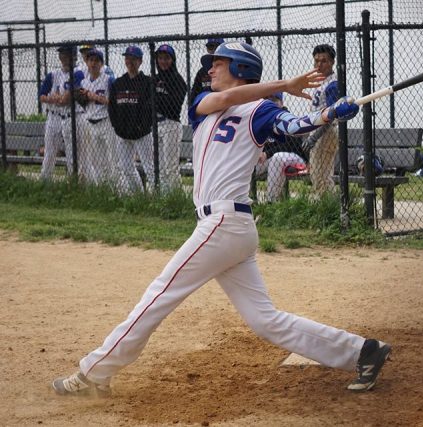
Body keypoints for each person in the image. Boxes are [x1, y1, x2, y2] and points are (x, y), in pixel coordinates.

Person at [51, 41, 391, 397]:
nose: (210, 69)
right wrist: (284, 85)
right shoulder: (202, 103)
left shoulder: (262, 111)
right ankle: (363, 351)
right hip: (228, 229)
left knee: (158, 295)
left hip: (224, 224)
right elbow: (230, 100)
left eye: (219, 64)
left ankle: (94, 372)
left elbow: (295, 124)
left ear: (241, 70)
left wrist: (328, 115)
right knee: (266, 321)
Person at [108, 45, 154, 194]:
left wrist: (142, 126)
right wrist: (117, 127)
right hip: (122, 133)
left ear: (140, 61)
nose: (130, 61)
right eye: (127, 58)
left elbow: (150, 108)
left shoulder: (147, 82)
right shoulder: (118, 83)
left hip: (142, 133)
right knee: (126, 167)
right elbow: (112, 108)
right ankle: (138, 195)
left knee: (149, 168)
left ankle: (156, 197)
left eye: (133, 59)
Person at [38, 45, 85, 180]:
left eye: (67, 54)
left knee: (72, 154)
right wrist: (52, 98)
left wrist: (54, 98)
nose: (63, 57)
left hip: (72, 117)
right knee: (49, 153)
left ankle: (73, 181)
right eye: (62, 54)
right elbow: (41, 96)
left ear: (74, 56)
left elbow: (66, 100)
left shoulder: (78, 73)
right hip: (53, 117)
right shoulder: (53, 74)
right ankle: (45, 181)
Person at [254, 92, 309, 202]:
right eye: (267, 99)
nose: (270, 102)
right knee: (249, 161)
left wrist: (267, 153)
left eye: (274, 99)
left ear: (281, 103)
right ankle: (245, 198)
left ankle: (271, 202)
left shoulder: (287, 118)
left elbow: (288, 145)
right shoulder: (263, 119)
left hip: (295, 157)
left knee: (277, 158)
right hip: (270, 159)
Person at [301, 44, 339, 197]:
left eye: (323, 61)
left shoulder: (333, 84)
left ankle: (331, 208)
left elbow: (331, 115)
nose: (319, 64)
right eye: (316, 61)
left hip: (326, 131)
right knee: (319, 175)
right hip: (318, 130)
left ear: (332, 62)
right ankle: (331, 207)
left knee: (321, 176)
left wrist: (315, 137)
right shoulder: (320, 82)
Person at [77, 48, 116, 185]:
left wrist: (94, 97)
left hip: (106, 122)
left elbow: (114, 102)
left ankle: (115, 188)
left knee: (112, 159)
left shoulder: (108, 80)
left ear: (101, 64)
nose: (93, 63)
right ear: (87, 62)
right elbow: (83, 104)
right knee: (97, 161)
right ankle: (102, 189)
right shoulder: (83, 83)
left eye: (96, 61)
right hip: (90, 123)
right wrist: (84, 97)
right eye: (90, 60)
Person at [154, 44, 188, 192]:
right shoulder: (154, 79)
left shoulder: (178, 80)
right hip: (155, 124)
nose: (163, 61)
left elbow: (173, 105)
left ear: (172, 60)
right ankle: (164, 197)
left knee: (170, 166)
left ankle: (176, 197)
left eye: (167, 58)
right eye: (160, 58)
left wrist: (156, 100)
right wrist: (158, 100)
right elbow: (148, 102)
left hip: (171, 125)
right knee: (160, 167)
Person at [189, 38, 224, 105]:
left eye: (217, 47)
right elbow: (194, 94)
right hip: (205, 107)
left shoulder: (228, 69)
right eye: (210, 46)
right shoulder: (202, 71)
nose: (214, 50)